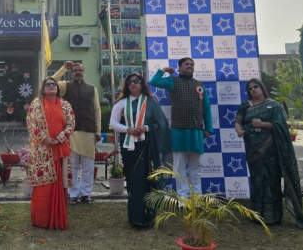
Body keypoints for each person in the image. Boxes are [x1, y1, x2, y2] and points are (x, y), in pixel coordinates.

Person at [234, 78, 303, 229]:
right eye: (250, 88)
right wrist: (239, 130)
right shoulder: (245, 106)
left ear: (262, 88)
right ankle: (256, 214)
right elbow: (238, 122)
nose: (253, 90)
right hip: (253, 149)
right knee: (257, 179)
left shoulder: (273, 106)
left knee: (271, 179)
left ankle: (272, 216)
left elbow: (280, 125)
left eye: (255, 87)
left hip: (270, 148)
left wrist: (262, 124)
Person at [110, 72, 172, 227]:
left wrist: (146, 127)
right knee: (133, 182)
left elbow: (161, 124)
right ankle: (135, 216)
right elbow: (113, 123)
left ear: (142, 84)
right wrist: (128, 129)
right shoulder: (121, 103)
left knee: (146, 181)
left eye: (136, 81)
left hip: (147, 147)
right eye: (130, 81)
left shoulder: (151, 102)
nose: (133, 83)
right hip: (129, 147)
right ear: (127, 85)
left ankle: (148, 216)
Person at [149, 57, 212, 197]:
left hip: (196, 130)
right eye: (186, 64)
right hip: (178, 130)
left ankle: (196, 196)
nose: (190, 66)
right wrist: (164, 70)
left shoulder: (199, 85)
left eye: (192, 64)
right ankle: (183, 197)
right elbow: (154, 81)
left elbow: (206, 107)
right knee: (179, 166)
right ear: (179, 67)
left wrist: (208, 128)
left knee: (196, 166)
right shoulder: (172, 81)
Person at [26, 77, 75, 229]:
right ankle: (41, 219)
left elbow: (71, 123)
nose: (51, 86)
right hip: (43, 150)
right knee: (44, 186)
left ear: (57, 88)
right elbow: (30, 123)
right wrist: (44, 138)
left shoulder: (65, 105)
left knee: (60, 183)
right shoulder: (36, 104)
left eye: (54, 84)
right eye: (48, 84)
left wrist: (60, 138)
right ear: (43, 88)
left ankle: (58, 217)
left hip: (60, 148)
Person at [51, 61, 101, 205]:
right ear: (71, 74)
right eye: (74, 70)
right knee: (71, 166)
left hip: (88, 131)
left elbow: (97, 110)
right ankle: (72, 194)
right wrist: (64, 68)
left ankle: (86, 194)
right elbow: (50, 82)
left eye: (80, 70)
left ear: (84, 72)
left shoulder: (92, 89)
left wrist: (98, 130)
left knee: (88, 166)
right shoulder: (65, 86)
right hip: (70, 132)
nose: (77, 72)